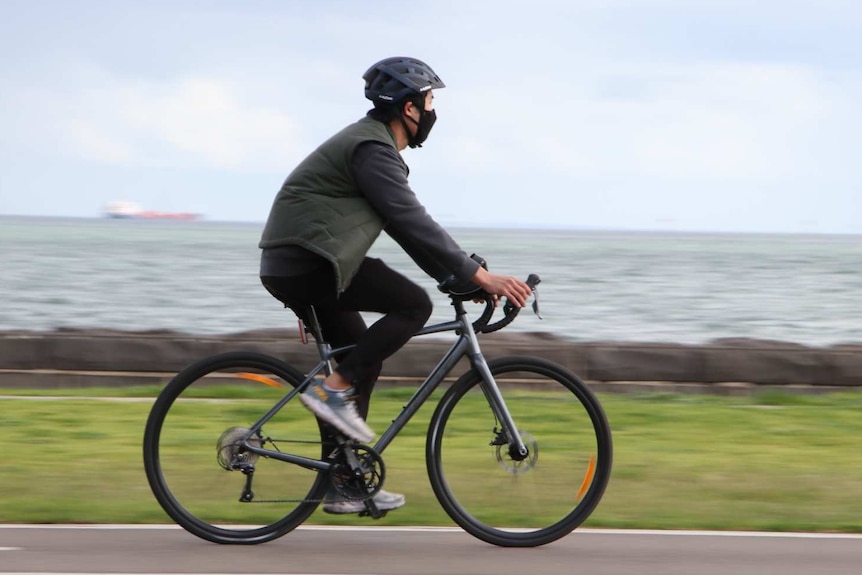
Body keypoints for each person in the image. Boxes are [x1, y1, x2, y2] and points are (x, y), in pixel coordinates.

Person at [259, 56, 532, 514]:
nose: (432, 112)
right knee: (412, 306)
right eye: (429, 101)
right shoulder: (372, 151)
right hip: (311, 263)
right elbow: (411, 222)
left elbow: (411, 235)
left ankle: (344, 480)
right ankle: (332, 389)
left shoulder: (372, 147)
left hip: (308, 263)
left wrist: (463, 279)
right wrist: (478, 275)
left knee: (360, 354)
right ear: (409, 109)